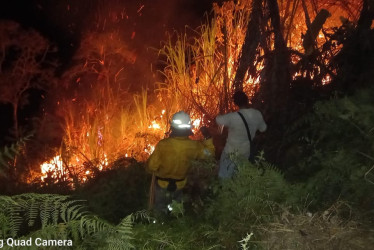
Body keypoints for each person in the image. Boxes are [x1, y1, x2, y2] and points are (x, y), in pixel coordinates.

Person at [146, 111, 214, 215]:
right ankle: (175, 224)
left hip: (162, 185)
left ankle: (158, 225)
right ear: (188, 128)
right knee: (176, 211)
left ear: (172, 127)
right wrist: (208, 138)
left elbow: (152, 166)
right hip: (180, 185)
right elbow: (209, 154)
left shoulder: (163, 145)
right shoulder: (194, 146)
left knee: (159, 211)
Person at [216, 91, 267, 178]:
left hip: (230, 153)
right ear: (247, 100)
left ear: (235, 103)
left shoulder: (233, 117)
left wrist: (219, 114)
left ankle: (224, 190)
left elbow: (218, 120)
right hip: (245, 152)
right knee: (239, 177)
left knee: (224, 177)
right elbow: (263, 129)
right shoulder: (257, 114)